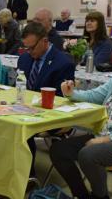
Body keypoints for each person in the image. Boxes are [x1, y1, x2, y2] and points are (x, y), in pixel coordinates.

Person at [17, 22, 75, 179]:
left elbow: (62, 100)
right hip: (24, 109)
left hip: (50, 115)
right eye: (26, 48)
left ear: (44, 41)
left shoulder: (63, 63)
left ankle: (27, 176)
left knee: (20, 128)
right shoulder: (24, 59)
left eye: (31, 48)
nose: (28, 52)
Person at [50, 75, 112, 199]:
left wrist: (104, 139)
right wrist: (71, 93)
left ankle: (100, 196)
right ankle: (81, 195)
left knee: (88, 155)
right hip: (103, 135)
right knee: (59, 150)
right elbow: (93, 96)